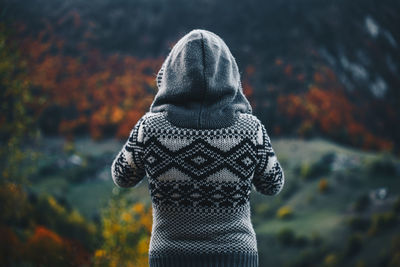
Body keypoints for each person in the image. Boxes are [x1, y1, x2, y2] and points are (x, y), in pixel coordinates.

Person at [111, 29, 285, 267]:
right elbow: (272, 184)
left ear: (171, 74)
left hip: (169, 257)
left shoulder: (149, 128)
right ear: (230, 73)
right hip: (236, 258)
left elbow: (122, 176)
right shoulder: (250, 130)